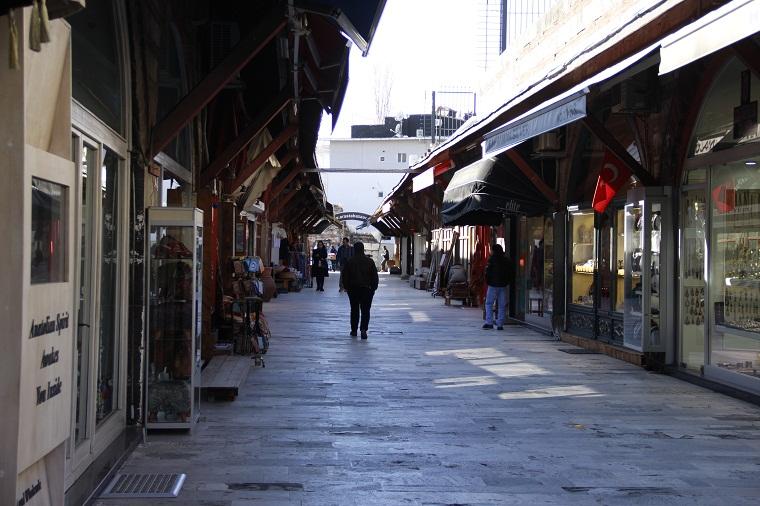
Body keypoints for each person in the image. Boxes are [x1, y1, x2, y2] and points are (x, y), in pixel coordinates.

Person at [340, 242, 378, 339]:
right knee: (365, 310)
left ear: (354, 249)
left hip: (353, 289)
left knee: (354, 309)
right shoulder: (370, 261)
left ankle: (353, 330)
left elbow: (345, 276)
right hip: (366, 289)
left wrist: (347, 287)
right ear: (363, 249)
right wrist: (373, 288)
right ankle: (363, 329)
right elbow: (374, 276)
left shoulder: (350, 261)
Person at [483, 243, 514, 330]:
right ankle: (500, 324)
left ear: (493, 250)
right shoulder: (506, 260)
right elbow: (511, 272)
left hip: (492, 285)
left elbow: (487, 273)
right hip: (503, 285)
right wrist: (507, 282)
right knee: (501, 304)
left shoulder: (491, 260)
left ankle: (489, 322)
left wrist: (488, 281)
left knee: (489, 303)